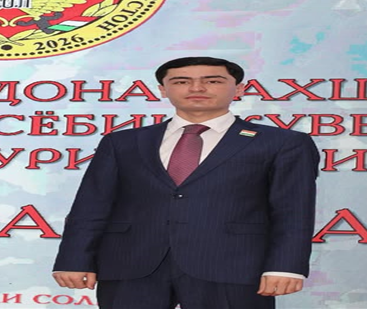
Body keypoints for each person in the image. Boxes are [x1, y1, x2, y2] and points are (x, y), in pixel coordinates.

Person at [52, 57, 319, 309]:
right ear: (162, 89)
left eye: (213, 81)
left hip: (234, 266)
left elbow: (293, 210)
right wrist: (73, 259)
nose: (197, 88)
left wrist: (286, 266)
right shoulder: (122, 142)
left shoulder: (282, 143)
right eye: (181, 81)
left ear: (239, 89)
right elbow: (91, 205)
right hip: (131, 264)